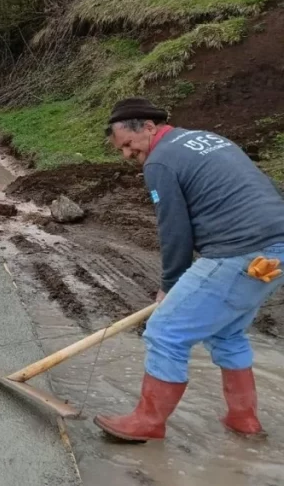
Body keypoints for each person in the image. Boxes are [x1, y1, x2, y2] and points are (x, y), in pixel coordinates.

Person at [95, 97, 284, 441]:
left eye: (128, 144)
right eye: (120, 149)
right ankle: (244, 420)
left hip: (240, 251)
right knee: (226, 333)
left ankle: (148, 422)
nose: (126, 154)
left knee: (165, 330)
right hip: (276, 254)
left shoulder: (160, 162)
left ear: (149, 127)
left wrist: (170, 284)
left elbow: (174, 230)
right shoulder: (207, 139)